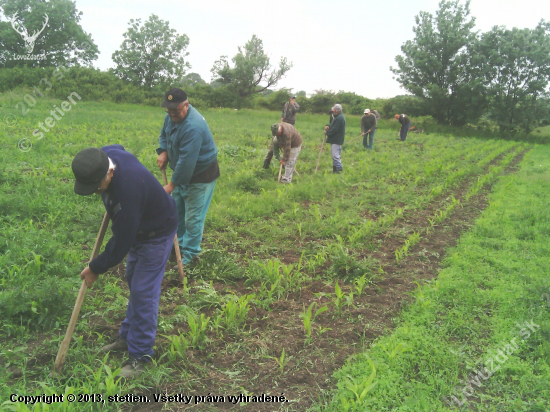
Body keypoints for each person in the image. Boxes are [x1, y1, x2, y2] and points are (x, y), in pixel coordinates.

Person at [72, 145, 178, 379]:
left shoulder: (128, 191)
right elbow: (117, 147)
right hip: (139, 226)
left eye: (97, 187)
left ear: (109, 174)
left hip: (157, 232)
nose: (96, 192)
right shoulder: (106, 156)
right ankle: (127, 337)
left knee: (144, 291)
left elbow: (121, 243)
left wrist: (95, 268)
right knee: (133, 280)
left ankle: (140, 355)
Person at [156, 88, 220, 266]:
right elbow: (164, 135)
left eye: (176, 111)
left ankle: (191, 255)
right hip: (182, 171)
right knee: (177, 212)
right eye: (169, 111)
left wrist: (171, 185)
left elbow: (186, 162)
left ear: (186, 105)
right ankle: (178, 246)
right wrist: (163, 152)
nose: (172, 114)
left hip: (200, 175)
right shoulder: (170, 116)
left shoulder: (194, 126)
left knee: (193, 217)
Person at [324, 103, 346, 173]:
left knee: (335, 155)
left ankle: (338, 169)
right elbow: (333, 126)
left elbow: (334, 129)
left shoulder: (339, 118)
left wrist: (327, 133)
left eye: (334, 110)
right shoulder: (337, 117)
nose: (333, 111)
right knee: (334, 155)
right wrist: (328, 126)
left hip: (337, 139)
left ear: (337, 111)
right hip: (335, 139)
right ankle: (335, 169)